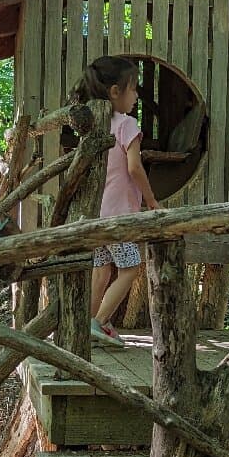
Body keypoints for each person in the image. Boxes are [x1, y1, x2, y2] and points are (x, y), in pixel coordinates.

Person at [73, 55, 159, 346]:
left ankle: (88, 325)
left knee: (102, 270)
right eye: (133, 89)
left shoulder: (92, 125)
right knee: (131, 268)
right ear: (115, 91)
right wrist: (151, 202)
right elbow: (135, 168)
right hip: (119, 215)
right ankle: (97, 322)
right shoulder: (127, 125)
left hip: (97, 212)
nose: (136, 96)